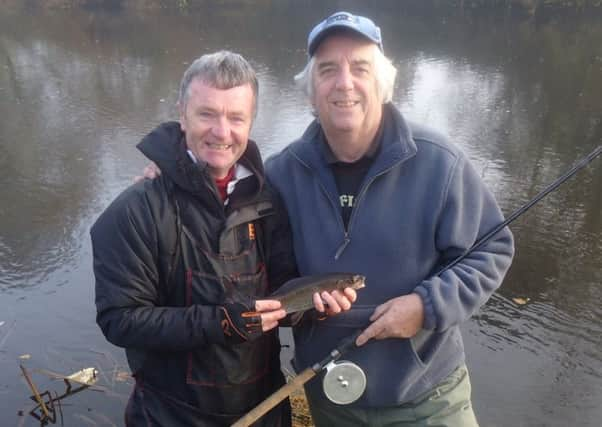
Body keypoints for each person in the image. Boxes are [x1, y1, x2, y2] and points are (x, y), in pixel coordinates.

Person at [264, 11, 515, 426]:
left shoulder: (440, 162)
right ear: (311, 91)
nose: (344, 82)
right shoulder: (279, 174)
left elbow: (493, 249)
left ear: (382, 84)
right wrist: (171, 171)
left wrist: (427, 305)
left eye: (360, 67)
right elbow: (232, 220)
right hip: (331, 398)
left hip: (430, 397)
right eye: (328, 70)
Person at [91, 50, 355, 427]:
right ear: (182, 113)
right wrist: (219, 323)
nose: (222, 132)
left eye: (236, 117)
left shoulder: (269, 200)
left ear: (250, 122)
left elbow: (282, 295)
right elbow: (120, 320)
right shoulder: (133, 211)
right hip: (168, 415)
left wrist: (315, 307)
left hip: (263, 409)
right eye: (207, 114)